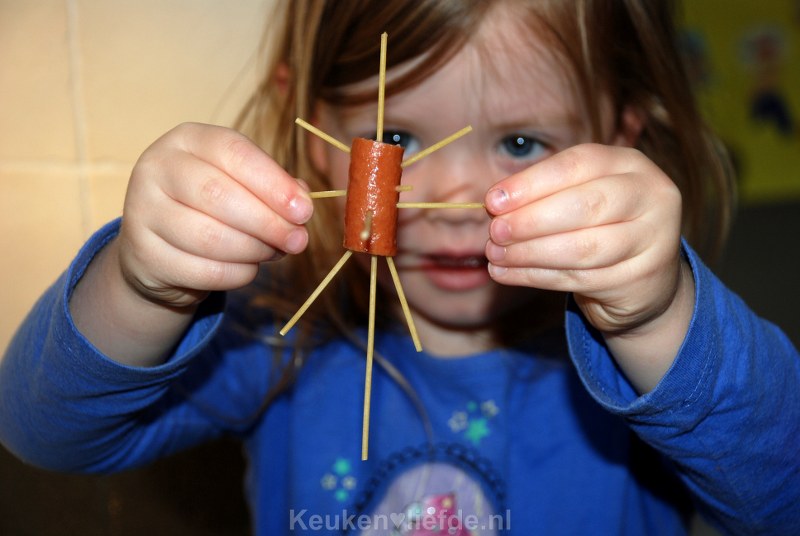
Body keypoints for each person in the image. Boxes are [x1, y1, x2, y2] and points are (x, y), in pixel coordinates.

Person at [1, 0, 798, 534]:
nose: (453, 197)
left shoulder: (636, 366)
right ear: (320, 141)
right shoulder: (273, 338)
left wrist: (658, 319)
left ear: (617, 140)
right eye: (398, 141)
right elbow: (43, 433)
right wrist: (143, 285)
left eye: (521, 143)